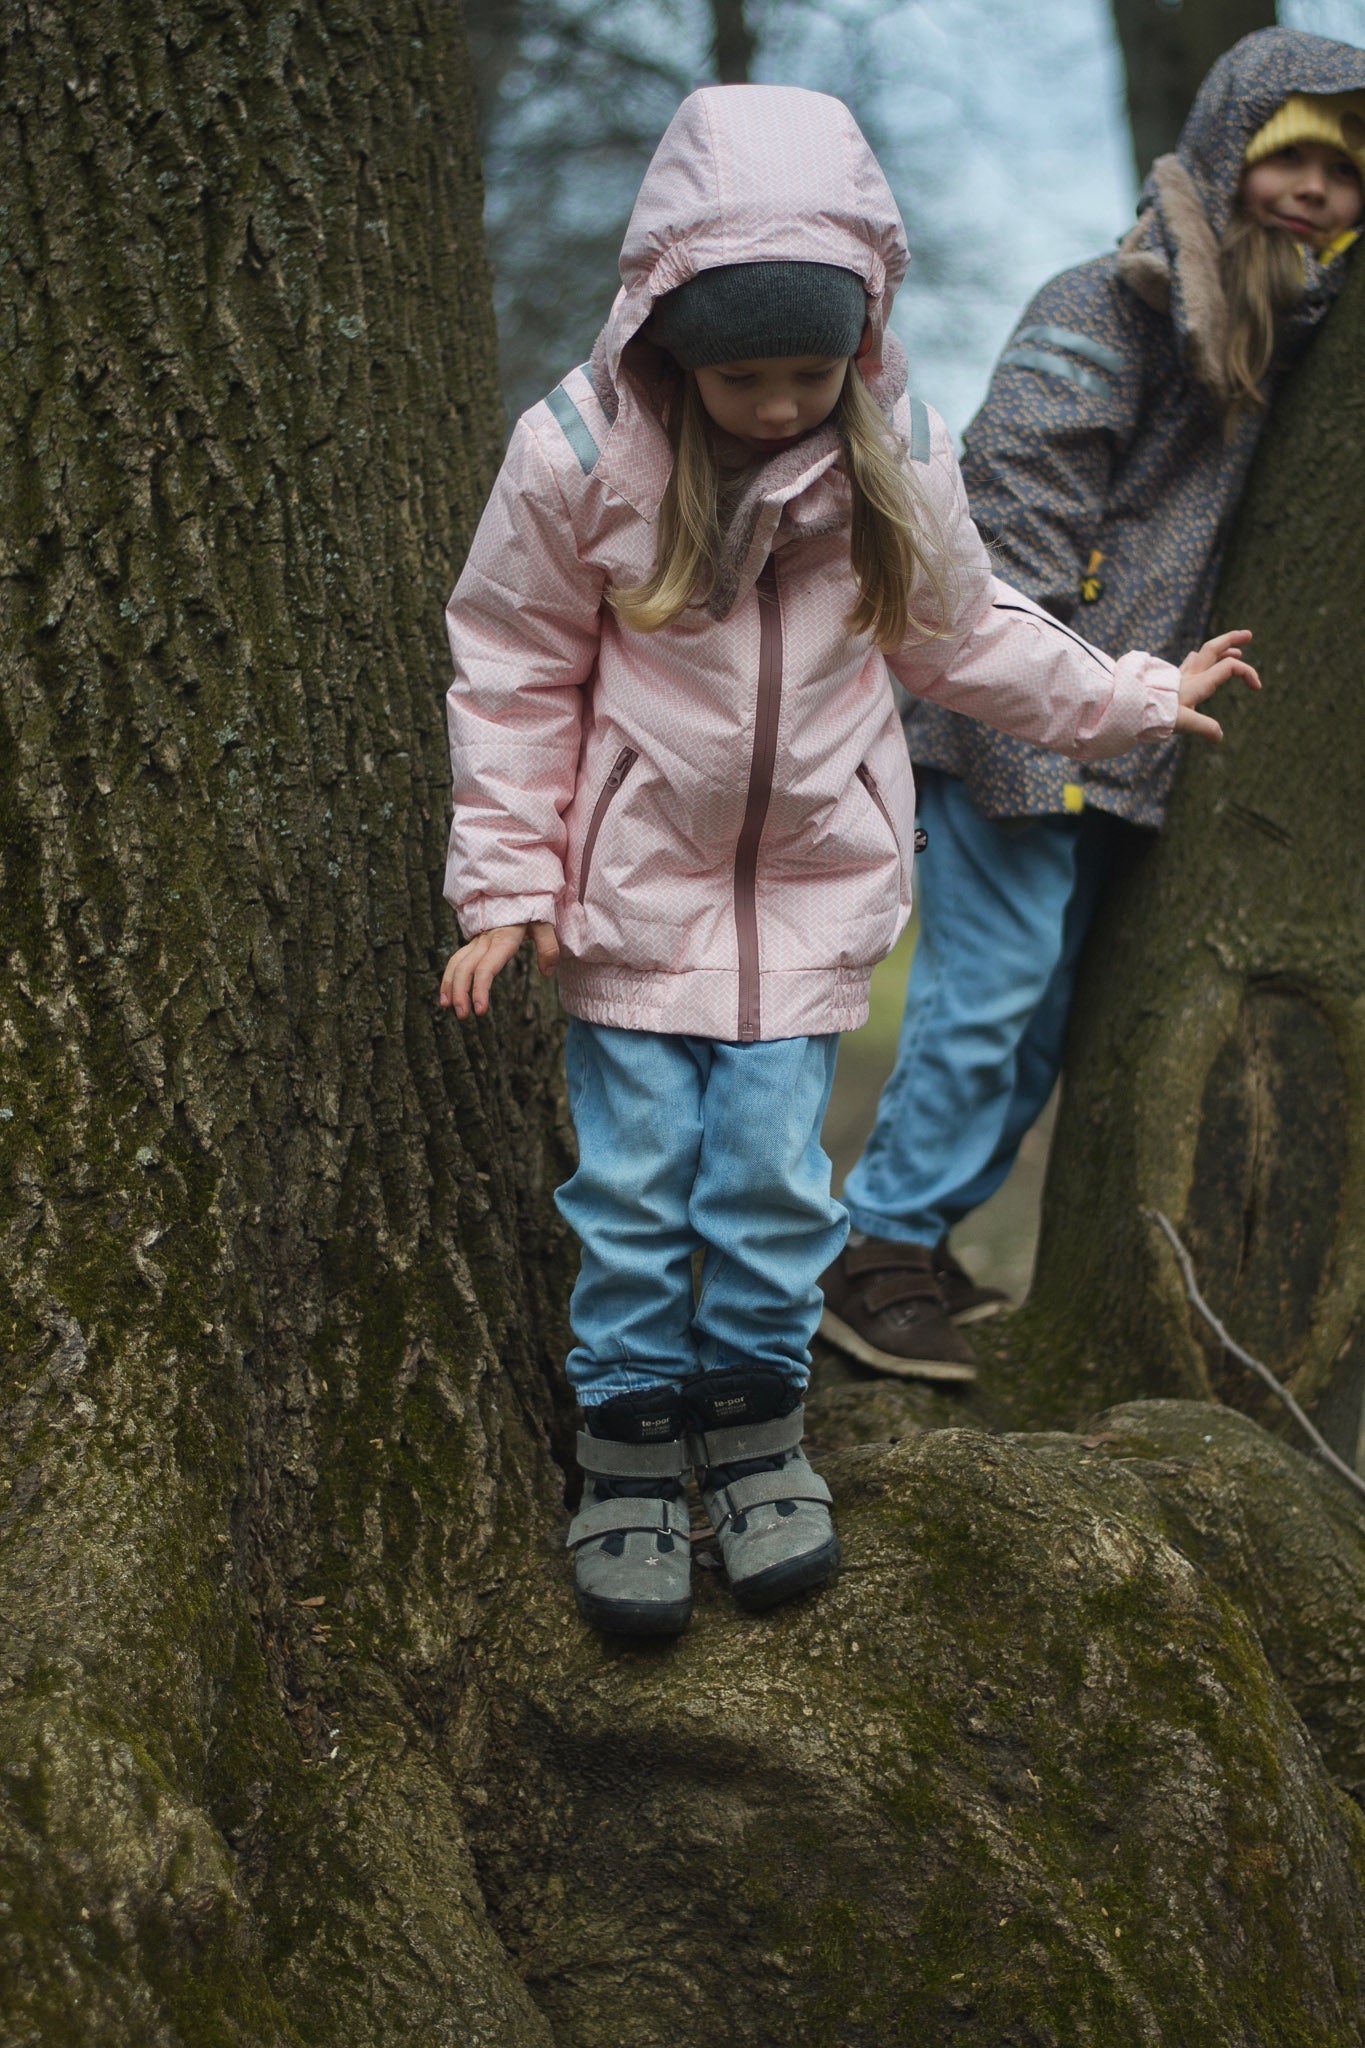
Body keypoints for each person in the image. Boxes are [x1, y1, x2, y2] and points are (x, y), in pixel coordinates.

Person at [438, 84, 1257, 1637]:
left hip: (810, 906)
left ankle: (755, 1435)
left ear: (860, 340)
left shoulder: (893, 451)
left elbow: (969, 635)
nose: (774, 406)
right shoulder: (573, 455)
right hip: (625, 904)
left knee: (762, 1188)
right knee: (629, 1191)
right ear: (669, 341)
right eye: (742, 377)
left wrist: (1133, 695)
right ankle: (626, 1451)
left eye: (807, 373)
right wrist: (505, 889)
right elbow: (511, 671)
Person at [822, 27, 1365, 1381]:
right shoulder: (1108, 302)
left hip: (1125, 727)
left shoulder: (1289, 337)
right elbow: (1014, 510)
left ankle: (916, 1234)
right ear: (1232, 139)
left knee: (1048, 1008)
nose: (1313, 186)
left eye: (1346, 172)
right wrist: (1031, 714)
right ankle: (868, 1249)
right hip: (1022, 707)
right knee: (989, 988)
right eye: (1291, 149)